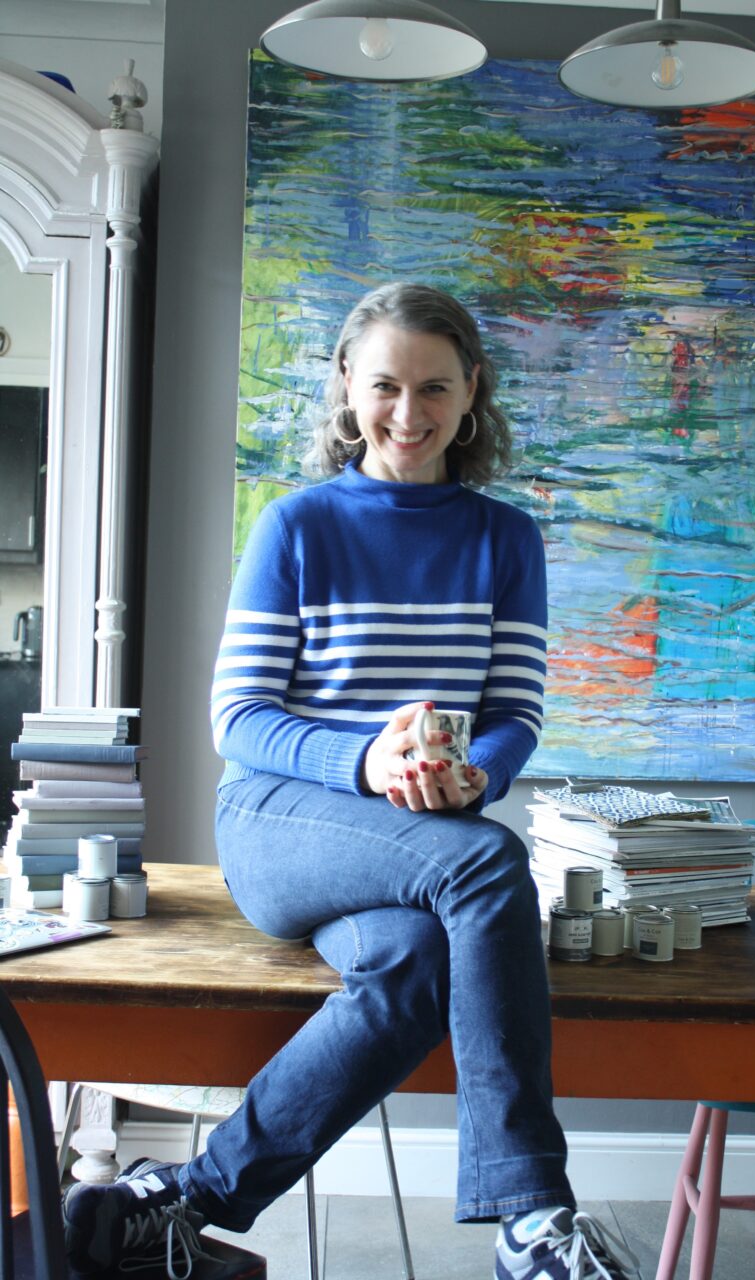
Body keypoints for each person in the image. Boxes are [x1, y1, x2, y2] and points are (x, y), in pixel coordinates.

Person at [63, 283, 637, 1280]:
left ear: (472, 394)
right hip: (278, 820)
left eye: (433, 388)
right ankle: (531, 1211)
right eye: (385, 385)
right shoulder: (296, 527)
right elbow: (237, 719)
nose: (407, 413)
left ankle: (189, 1200)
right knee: (491, 862)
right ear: (347, 385)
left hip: (413, 844)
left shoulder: (505, 540)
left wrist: (473, 773)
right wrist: (366, 756)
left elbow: (513, 716)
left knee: (414, 963)